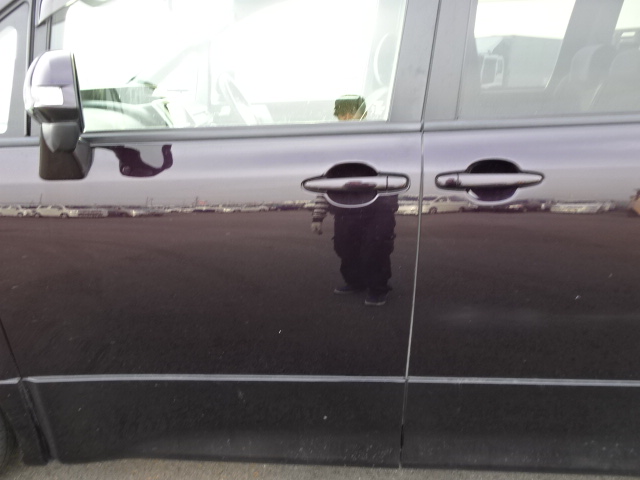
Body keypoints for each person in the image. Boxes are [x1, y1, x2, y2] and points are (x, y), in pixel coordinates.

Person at [311, 95, 397, 306]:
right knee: (344, 247)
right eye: (342, 115)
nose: (347, 118)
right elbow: (324, 183)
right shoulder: (333, 146)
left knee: (375, 248)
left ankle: (377, 288)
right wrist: (317, 216)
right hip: (344, 208)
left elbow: (394, 173)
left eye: (351, 113)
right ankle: (355, 282)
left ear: (363, 115)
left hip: (377, 207)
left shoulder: (379, 140)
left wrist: (389, 202)